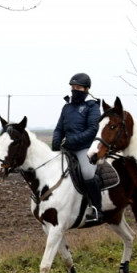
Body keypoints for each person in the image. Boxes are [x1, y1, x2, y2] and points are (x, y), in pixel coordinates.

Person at [52, 72, 103, 223]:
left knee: (87, 174)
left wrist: (73, 141)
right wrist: (56, 142)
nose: (75, 90)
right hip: (67, 149)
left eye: (78, 87)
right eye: (73, 87)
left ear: (86, 89)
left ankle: (97, 209)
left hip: (84, 149)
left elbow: (93, 129)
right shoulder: (66, 107)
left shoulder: (92, 106)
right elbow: (59, 128)